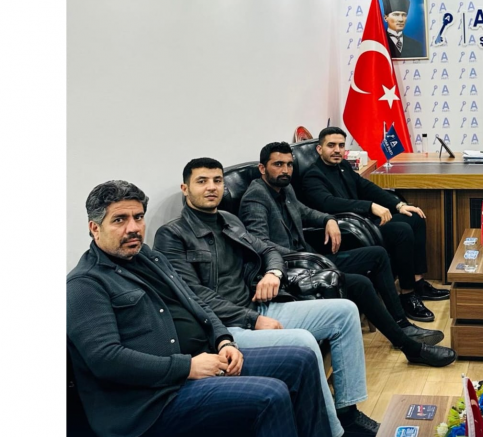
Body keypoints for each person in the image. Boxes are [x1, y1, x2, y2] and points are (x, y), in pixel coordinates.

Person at [67, 180, 330, 437]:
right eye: (119, 220)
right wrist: (187, 367)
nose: (133, 228)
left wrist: (223, 340)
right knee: (270, 395)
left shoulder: (150, 258)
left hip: (202, 361)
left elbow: (195, 302)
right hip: (151, 402)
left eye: (138, 217)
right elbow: (106, 360)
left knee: (300, 359)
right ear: (95, 228)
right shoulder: (85, 283)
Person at [153, 159, 381, 437]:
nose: (211, 187)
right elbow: (193, 296)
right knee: (304, 342)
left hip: (259, 306)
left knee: (344, 311)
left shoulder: (229, 220)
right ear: (185, 189)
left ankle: (348, 414)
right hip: (226, 327)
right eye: (202, 181)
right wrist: (253, 319)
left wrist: (273, 273)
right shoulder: (172, 235)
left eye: (217, 181)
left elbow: (269, 249)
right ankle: (334, 432)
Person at [236, 150, 459, 366]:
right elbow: (261, 244)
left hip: (312, 259)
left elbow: (304, 212)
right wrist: (304, 256)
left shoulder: (285, 188)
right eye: (278, 164)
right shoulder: (256, 198)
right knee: (360, 283)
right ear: (262, 168)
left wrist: (328, 220)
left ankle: (402, 324)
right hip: (294, 268)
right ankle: (409, 347)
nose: (285, 170)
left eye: (289, 164)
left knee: (378, 255)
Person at [300, 127, 449, 322]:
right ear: (319, 149)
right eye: (331, 145)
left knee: (414, 216)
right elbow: (328, 203)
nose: (337, 150)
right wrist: (370, 206)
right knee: (401, 230)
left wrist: (399, 205)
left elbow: (366, 187)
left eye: (341, 145)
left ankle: (418, 282)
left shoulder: (343, 166)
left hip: (362, 223)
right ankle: (407, 295)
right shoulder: (312, 176)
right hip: (347, 231)